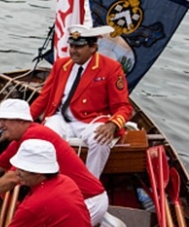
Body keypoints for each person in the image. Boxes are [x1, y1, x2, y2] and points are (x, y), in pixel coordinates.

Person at [0, 98, 131, 227]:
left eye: (4, 120)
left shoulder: (35, 138)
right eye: (0, 120)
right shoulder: (22, 139)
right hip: (78, 199)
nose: (0, 125)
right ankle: (96, 224)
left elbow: (12, 177)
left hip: (87, 201)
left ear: (21, 121)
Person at [29, 24, 133, 178]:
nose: (73, 50)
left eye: (79, 46)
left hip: (91, 121)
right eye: (71, 45)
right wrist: (23, 120)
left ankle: (90, 186)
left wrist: (112, 124)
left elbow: (123, 107)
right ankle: (49, 180)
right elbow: (44, 98)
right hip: (60, 118)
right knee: (45, 138)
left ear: (92, 48)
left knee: (101, 141)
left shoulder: (111, 68)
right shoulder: (61, 65)